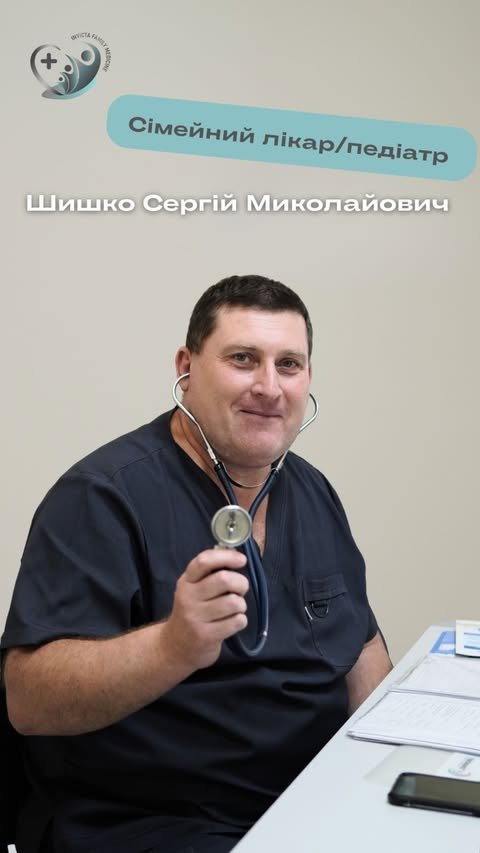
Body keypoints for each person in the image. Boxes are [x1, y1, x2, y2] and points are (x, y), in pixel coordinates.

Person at [1, 275, 392, 853]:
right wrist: (173, 647)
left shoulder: (312, 491)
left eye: (288, 365)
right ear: (187, 367)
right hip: (158, 823)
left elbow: (360, 645)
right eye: (243, 359)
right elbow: (29, 701)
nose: (269, 386)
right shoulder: (102, 496)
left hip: (308, 806)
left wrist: (395, 762)